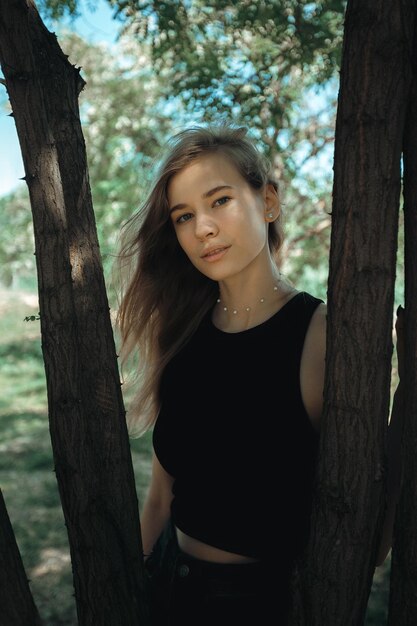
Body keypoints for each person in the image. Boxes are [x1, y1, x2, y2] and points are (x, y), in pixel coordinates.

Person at [115, 123, 399, 625]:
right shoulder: (182, 334)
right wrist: (132, 592)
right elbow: (161, 496)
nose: (202, 228)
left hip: (257, 606)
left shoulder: (322, 336)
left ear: (267, 202)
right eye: (184, 216)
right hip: (165, 586)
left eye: (219, 201)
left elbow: (370, 536)